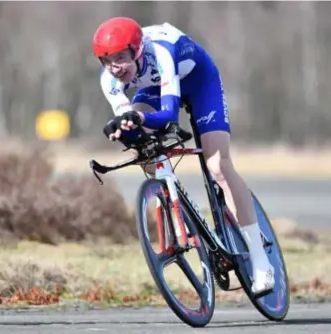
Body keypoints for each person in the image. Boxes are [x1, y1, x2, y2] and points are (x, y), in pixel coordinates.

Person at [93, 17, 274, 296]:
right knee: (141, 144)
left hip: (199, 82)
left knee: (218, 166)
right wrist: (122, 127)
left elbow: (167, 115)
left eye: (120, 58)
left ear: (137, 51)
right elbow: (128, 116)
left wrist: (138, 115)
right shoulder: (109, 80)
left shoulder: (161, 52)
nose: (114, 68)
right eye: (106, 60)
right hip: (156, 88)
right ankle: (172, 200)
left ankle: (261, 260)